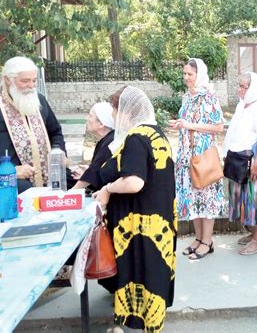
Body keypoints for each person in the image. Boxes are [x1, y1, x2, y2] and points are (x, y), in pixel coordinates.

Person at [92, 86, 176, 332]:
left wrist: (107, 190)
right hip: (156, 217)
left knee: (139, 273)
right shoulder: (156, 133)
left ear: (126, 112)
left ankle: (132, 324)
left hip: (139, 225)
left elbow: (134, 181)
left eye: (115, 111)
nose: (115, 117)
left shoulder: (136, 138)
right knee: (151, 272)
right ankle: (148, 323)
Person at [0, 56, 71, 197]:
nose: (31, 86)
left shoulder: (39, 100)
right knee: (25, 189)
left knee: (75, 181)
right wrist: (10, 170)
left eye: (33, 81)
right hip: (0, 177)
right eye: (25, 81)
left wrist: (59, 154)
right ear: (8, 80)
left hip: (44, 173)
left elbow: (55, 132)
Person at [171, 58, 225, 260]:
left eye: (190, 74)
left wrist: (188, 125)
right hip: (187, 155)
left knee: (206, 198)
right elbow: (187, 124)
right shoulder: (187, 97)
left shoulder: (208, 96)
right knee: (192, 198)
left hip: (203, 155)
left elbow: (218, 127)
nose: (186, 78)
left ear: (199, 75)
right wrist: (180, 124)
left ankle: (207, 241)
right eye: (184, 74)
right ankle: (198, 238)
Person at [224, 72, 257, 255]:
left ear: (253, 88)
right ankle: (255, 234)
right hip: (238, 159)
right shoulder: (242, 105)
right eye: (240, 85)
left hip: (251, 160)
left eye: (244, 86)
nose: (240, 89)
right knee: (243, 200)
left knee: (256, 200)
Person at [70, 102, 114, 191]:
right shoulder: (107, 139)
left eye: (90, 116)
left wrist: (70, 193)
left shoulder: (110, 142)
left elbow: (94, 171)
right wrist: (87, 170)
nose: (87, 118)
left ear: (101, 124)